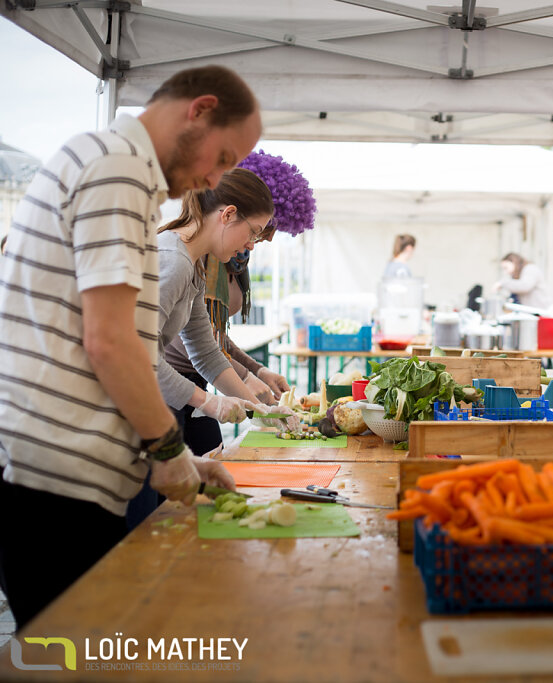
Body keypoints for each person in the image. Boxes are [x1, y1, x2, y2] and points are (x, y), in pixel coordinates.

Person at [0, 65, 258, 628]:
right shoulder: (117, 167)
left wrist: (177, 456)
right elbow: (111, 343)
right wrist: (167, 450)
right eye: (224, 157)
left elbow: (99, 345)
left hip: (64, 476)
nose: (215, 178)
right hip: (57, 485)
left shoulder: (116, 169)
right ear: (200, 111)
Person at [165, 149, 317, 455]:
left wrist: (261, 410)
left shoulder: (192, 265)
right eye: (254, 232)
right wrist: (208, 400)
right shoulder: (175, 262)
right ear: (228, 214)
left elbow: (206, 350)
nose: (252, 244)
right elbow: (139, 359)